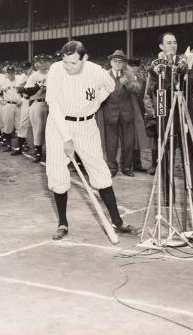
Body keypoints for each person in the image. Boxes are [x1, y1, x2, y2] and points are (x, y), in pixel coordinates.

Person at [45, 40, 139, 240]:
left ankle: (118, 221)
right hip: (58, 125)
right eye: (65, 62)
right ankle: (63, 223)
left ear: (84, 58)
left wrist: (95, 102)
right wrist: (67, 138)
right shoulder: (55, 70)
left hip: (86, 126)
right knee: (57, 174)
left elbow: (110, 86)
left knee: (100, 171)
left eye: (73, 63)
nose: (68, 67)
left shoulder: (96, 72)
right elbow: (53, 105)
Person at [144, 32, 193, 206]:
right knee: (166, 157)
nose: (173, 45)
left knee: (191, 156)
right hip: (166, 116)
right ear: (161, 46)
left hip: (186, 115)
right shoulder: (155, 68)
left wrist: (187, 69)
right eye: (168, 43)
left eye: (175, 42)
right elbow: (157, 92)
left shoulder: (185, 62)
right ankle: (168, 196)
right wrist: (171, 75)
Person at [101, 50, 141, 177]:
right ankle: (112, 168)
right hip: (110, 113)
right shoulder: (104, 75)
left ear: (124, 63)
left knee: (128, 142)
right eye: (115, 61)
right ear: (111, 62)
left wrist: (127, 84)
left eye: (120, 61)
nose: (117, 63)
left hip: (127, 113)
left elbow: (137, 90)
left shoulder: (129, 74)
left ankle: (127, 167)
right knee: (111, 143)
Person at [24, 54, 51, 163]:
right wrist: (39, 88)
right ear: (37, 64)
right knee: (38, 129)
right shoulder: (34, 75)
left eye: (44, 61)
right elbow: (27, 91)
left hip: (50, 104)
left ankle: (51, 152)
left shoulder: (52, 74)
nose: (42, 64)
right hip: (38, 103)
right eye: (40, 62)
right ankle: (38, 151)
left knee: (51, 129)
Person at [0, 65, 23, 152]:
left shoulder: (20, 80)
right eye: (9, 72)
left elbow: (26, 92)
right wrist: (0, 100)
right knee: (7, 125)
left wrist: (22, 100)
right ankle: (8, 145)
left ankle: (21, 146)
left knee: (20, 125)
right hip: (8, 104)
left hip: (19, 105)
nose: (11, 74)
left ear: (15, 72)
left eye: (12, 72)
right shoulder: (3, 81)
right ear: (6, 73)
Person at [11, 61, 33, 156]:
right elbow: (18, 88)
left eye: (27, 68)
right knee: (23, 123)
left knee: (37, 126)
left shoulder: (36, 75)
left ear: (31, 67)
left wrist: (25, 88)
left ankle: (38, 149)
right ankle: (20, 147)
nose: (25, 70)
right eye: (24, 69)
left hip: (35, 101)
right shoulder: (23, 77)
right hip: (26, 100)